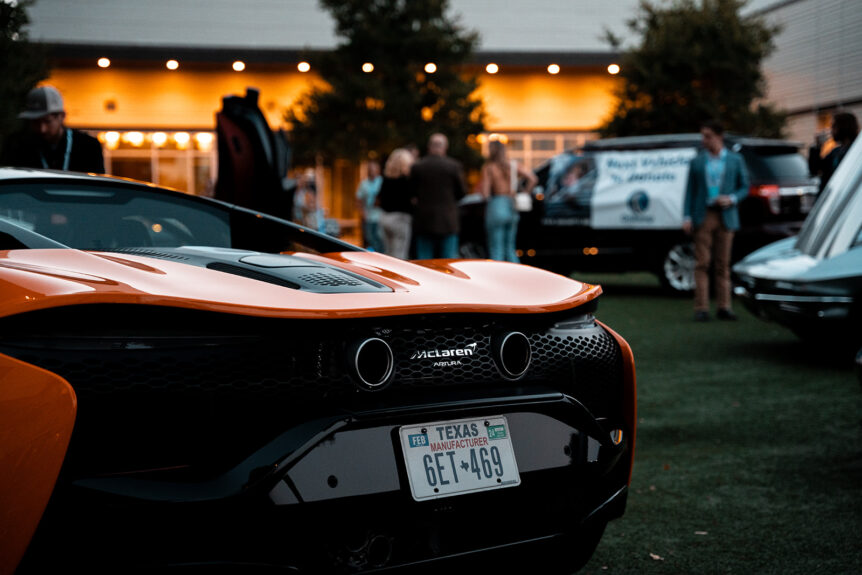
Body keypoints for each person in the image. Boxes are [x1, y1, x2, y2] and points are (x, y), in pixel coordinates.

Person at [683, 120, 749, 322]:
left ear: (719, 136)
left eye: (708, 136)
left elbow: (744, 186)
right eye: (703, 135)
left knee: (723, 264)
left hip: (726, 214)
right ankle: (701, 308)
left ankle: (724, 307)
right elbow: (690, 191)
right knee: (702, 263)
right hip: (704, 214)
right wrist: (687, 216)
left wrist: (732, 198)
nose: (704, 140)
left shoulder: (735, 160)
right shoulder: (697, 161)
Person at [2, 85, 104, 173]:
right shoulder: (17, 146)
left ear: (62, 116)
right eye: (36, 122)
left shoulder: (88, 147)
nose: (42, 129)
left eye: (47, 121)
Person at [409, 133, 468, 259]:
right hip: (447, 220)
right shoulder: (453, 166)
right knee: (448, 262)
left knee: (424, 262)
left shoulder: (418, 166)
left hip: (424, 220)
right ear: (445, 147)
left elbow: (411, 192)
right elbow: (462, 192)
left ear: (429, 147)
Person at [479, 140, 536, 262]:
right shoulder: (513, 165)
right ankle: (516, 278)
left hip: (496, 205)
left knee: (496, 249)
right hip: (512, 204)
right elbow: (533, 178)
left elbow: (485, 193)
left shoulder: (489, 167)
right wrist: (525, 193)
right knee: (510, 248)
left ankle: (496, 279)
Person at [377, 148, 415, 259]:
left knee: (388, 253)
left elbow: (380, 198)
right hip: (400, 219)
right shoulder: (407, 180)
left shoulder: (386, 179)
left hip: (385, 218)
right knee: (400, 255)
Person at [809, 111, 859, 193]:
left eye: (833, 126)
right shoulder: (836, 152)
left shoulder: (855, 152)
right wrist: (817, 147)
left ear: (843, 127)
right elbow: (815, 169)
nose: (831, 130)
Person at [355, 160, 384, 252]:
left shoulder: (382, 182)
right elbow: (358, 200)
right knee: (370, 239)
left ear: (378, 170)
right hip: (368, 217)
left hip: (380, 217)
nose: (371, 171)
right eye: (370, 169)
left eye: (373, 168)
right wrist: (362, 213)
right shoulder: (364, 184)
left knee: (380, 240)